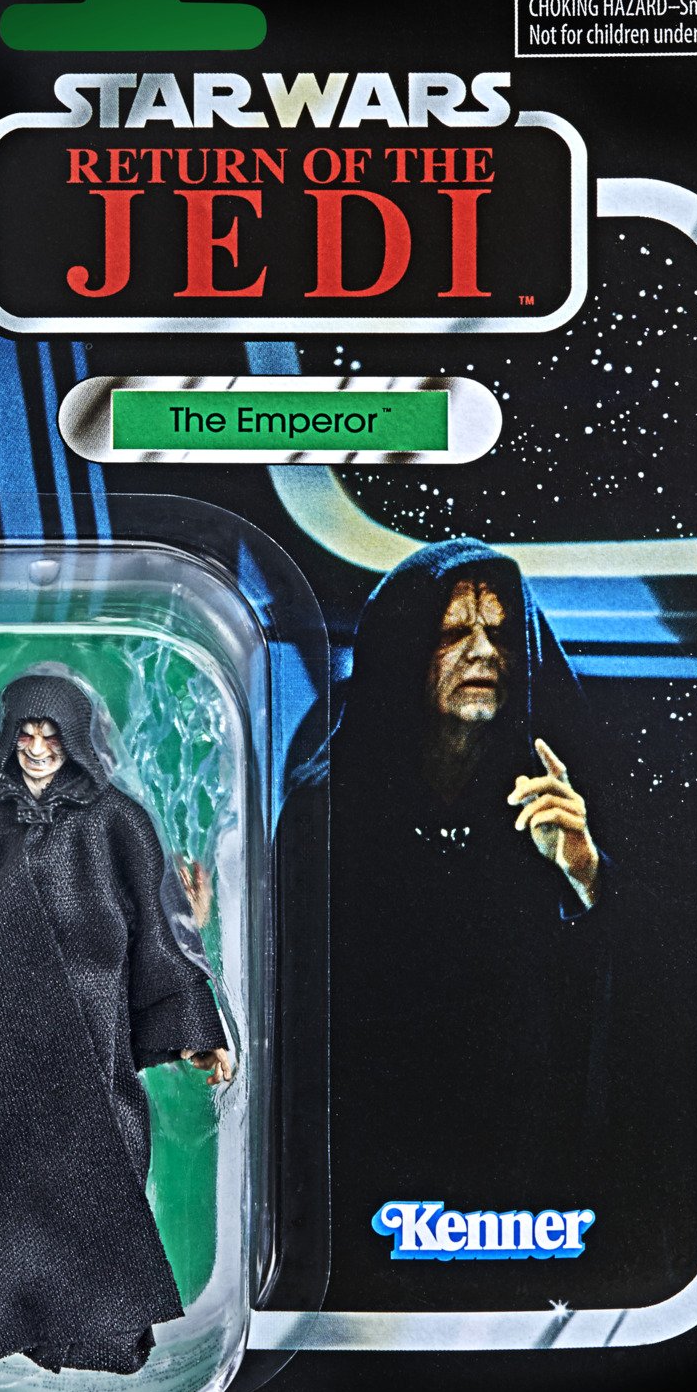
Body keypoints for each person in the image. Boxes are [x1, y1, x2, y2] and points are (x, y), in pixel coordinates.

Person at [0, 667, 230, 1373]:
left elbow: (160, 932)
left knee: (100, 1184)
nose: (36, 747)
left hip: (88, 1035)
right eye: (24, 733)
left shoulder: (119, 821)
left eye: (51, 734)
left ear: (77, 740)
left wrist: (194, 1030)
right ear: (5, 737)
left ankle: (99, 1337)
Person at [292, 538, 617, 1300]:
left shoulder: (561, 803)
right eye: (454, 632)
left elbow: (623, 998)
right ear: (407, 649)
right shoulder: (325, 813)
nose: (482, 651)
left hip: (521, 1195)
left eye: (500, 633)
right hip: (361, 1194)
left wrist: (584, 872)